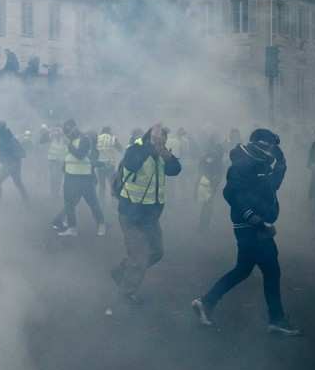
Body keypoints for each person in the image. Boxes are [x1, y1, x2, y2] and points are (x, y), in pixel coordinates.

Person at [192, 128, 300, 336]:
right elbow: (232, 194)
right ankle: (277, 319)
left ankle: (206, 302)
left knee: (243, 269)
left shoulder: (261, 164)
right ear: (260, 145)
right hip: (251, 228)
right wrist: (256, 220)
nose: (272, 151)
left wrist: (282, 164)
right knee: (271, 270)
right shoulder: (242, 165)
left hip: (257, 226)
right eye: (271, 147)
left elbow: (272, 187)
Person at [111, 124, 182, 305]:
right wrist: (150, 147)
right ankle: (124, 295)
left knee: (157, 252)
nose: (162, 143)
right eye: (159, 139)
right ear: (151, 137)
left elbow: (175, 170)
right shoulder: (135, 149)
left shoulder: (161, 152)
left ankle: (122, 271)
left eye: (164, 140)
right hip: (130, 213)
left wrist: (166, 154)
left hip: (150, 215)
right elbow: (132, 164)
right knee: (139, 258)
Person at [57, 119, 106, 237]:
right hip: (70, 177)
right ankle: (72, 228)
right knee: (69, 204)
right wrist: (64, 169)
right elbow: (67, 157)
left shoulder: (84, 139)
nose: (67, 133)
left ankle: (101, 225)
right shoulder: (69, 140)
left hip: (85, 178)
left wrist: (68, 144)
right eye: (65, 131)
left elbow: (80, 155)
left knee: (93, 203)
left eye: (68, 130)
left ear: (74, 127)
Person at [0, 121, 29, 203]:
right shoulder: (5, 135)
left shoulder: (5, 137)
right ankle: (26, 199)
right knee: (18, 183)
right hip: (14, 163)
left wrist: (9, 161)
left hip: (10, 164)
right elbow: (5, 150)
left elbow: (9, 150)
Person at [197, 135, 225, 234]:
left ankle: (204, 226)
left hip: (210, 183)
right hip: (208, 183)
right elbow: (203, 167)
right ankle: (203, 227)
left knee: (207, 204)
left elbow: (202, 167)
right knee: (207, 204)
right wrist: (210, 177)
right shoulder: (211, 156)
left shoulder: (211, 156)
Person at [96, 126, 123, 201]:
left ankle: (101, 203)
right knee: (112, 185)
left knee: (102, 186)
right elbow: (120, 148)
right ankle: (113, 203)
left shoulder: (97, 138)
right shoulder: (112, 138)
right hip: (110, 165)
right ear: (109, 131)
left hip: (100, 165)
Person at [45, 126, 67, 199]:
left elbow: (67, 144)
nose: (57, 133)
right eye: (56, 131)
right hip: (52, 160)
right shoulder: (51, 138)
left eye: (59, 131)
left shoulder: (63, 139)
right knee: (53, 176)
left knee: (59, 177)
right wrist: (51, 131)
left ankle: (56, 193)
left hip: (60, 160)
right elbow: (45, 138)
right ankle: (53, 192)